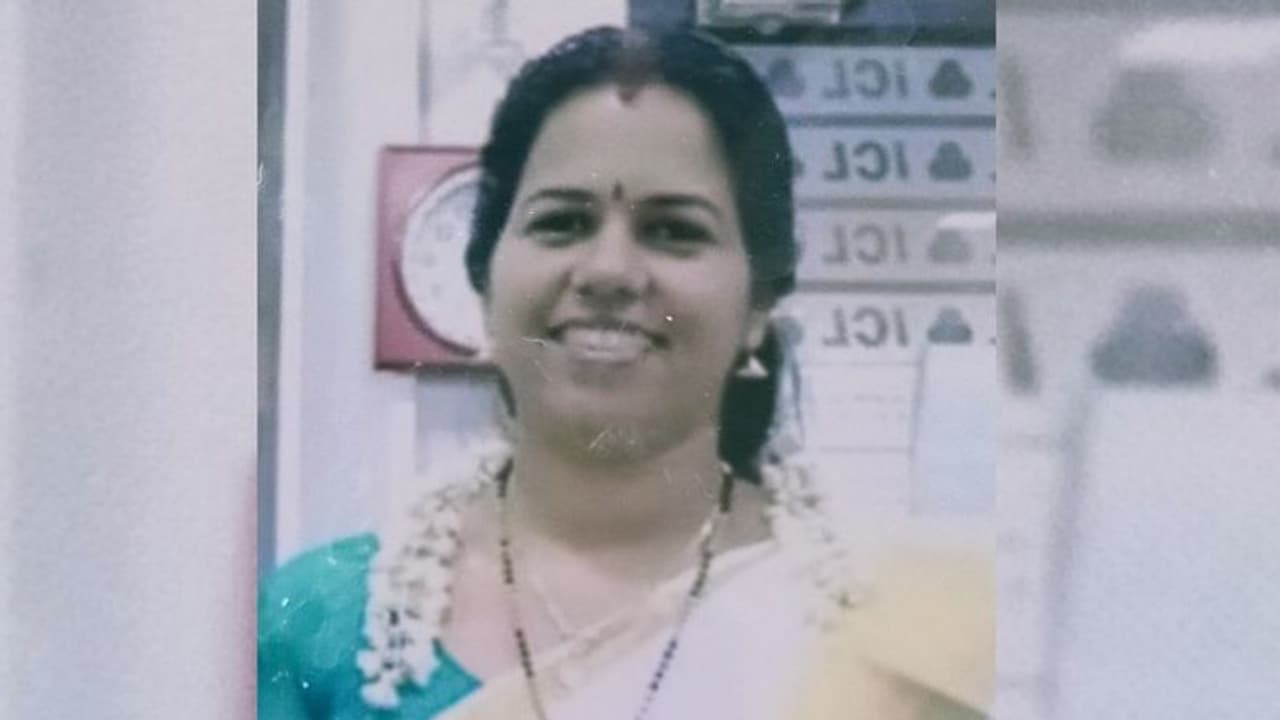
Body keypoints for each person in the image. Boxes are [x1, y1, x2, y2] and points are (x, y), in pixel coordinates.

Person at [259, 26, 991, 720]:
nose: (609, 270)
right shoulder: (320, 629)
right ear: (484, 281)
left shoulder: (907, 637)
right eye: (561, 222)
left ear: (758, 306)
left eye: (673, 230)